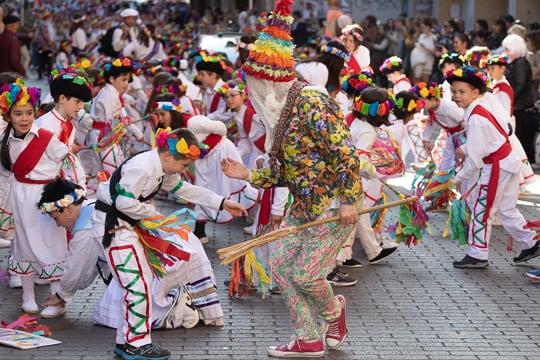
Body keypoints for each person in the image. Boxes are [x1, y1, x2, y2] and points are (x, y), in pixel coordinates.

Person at [222, 0, 362, 356]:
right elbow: (286, 171)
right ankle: (307, 338)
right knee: (281, 268)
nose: (252, 95)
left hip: (331, 205)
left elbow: (344, 154)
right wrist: (249, 174)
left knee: (305, 275)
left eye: (255, 86)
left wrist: (348, 200)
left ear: (271, 84)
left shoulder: (313, 103)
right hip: (303, 205)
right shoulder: (280, 113)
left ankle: (333, 314)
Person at [92, 127, 247, 359]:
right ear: (167, 157)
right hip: (113, 227)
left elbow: (184, 189)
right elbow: (123, 202)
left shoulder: (161, 167)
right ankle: (135, 344)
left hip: (126, 226)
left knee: (140, 282)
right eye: (184, 165)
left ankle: (128, 341)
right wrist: (152, 213)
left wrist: (222, 203)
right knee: (137, 284)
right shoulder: (143, 167)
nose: (185, 170)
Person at [446, 66, 539, 268]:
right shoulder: (480, 109)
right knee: (506, 209)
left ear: (475, 92)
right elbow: (494, 135)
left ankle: (477, 254)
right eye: (454, 92)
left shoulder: (476, 117)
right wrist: (466, 147)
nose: (456, 96)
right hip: (507, 162)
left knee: (482, 209)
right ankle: (531, 242)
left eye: (462, 92)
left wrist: (458, 178)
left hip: (498, 166)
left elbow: (475, 160)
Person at [0, 80, 69, 315]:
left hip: (45, 197)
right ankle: (27, 296)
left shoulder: (46, 137)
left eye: (29, 113)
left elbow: (67, 160)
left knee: (52, 243)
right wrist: (5, 209)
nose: (24, 118)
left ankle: (56, 300)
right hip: (20, 197)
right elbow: (4, 176)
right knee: (23, 244)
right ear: (8, 116)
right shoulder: (5, 142)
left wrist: (69, 194)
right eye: (18, 113)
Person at [35, 70, 92, 188]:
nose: (81, 107)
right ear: (62, 98)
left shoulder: (69, 125)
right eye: (77, 101)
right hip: (40, 186)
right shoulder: (45, 125)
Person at [502, 34, 536, 164]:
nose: (505, 52)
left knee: (521, 139)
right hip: (517, 105)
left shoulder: (520, 62)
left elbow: (520, 85)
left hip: (521, 106)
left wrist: (509, 98)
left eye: (508, 49)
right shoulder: (515, 62)